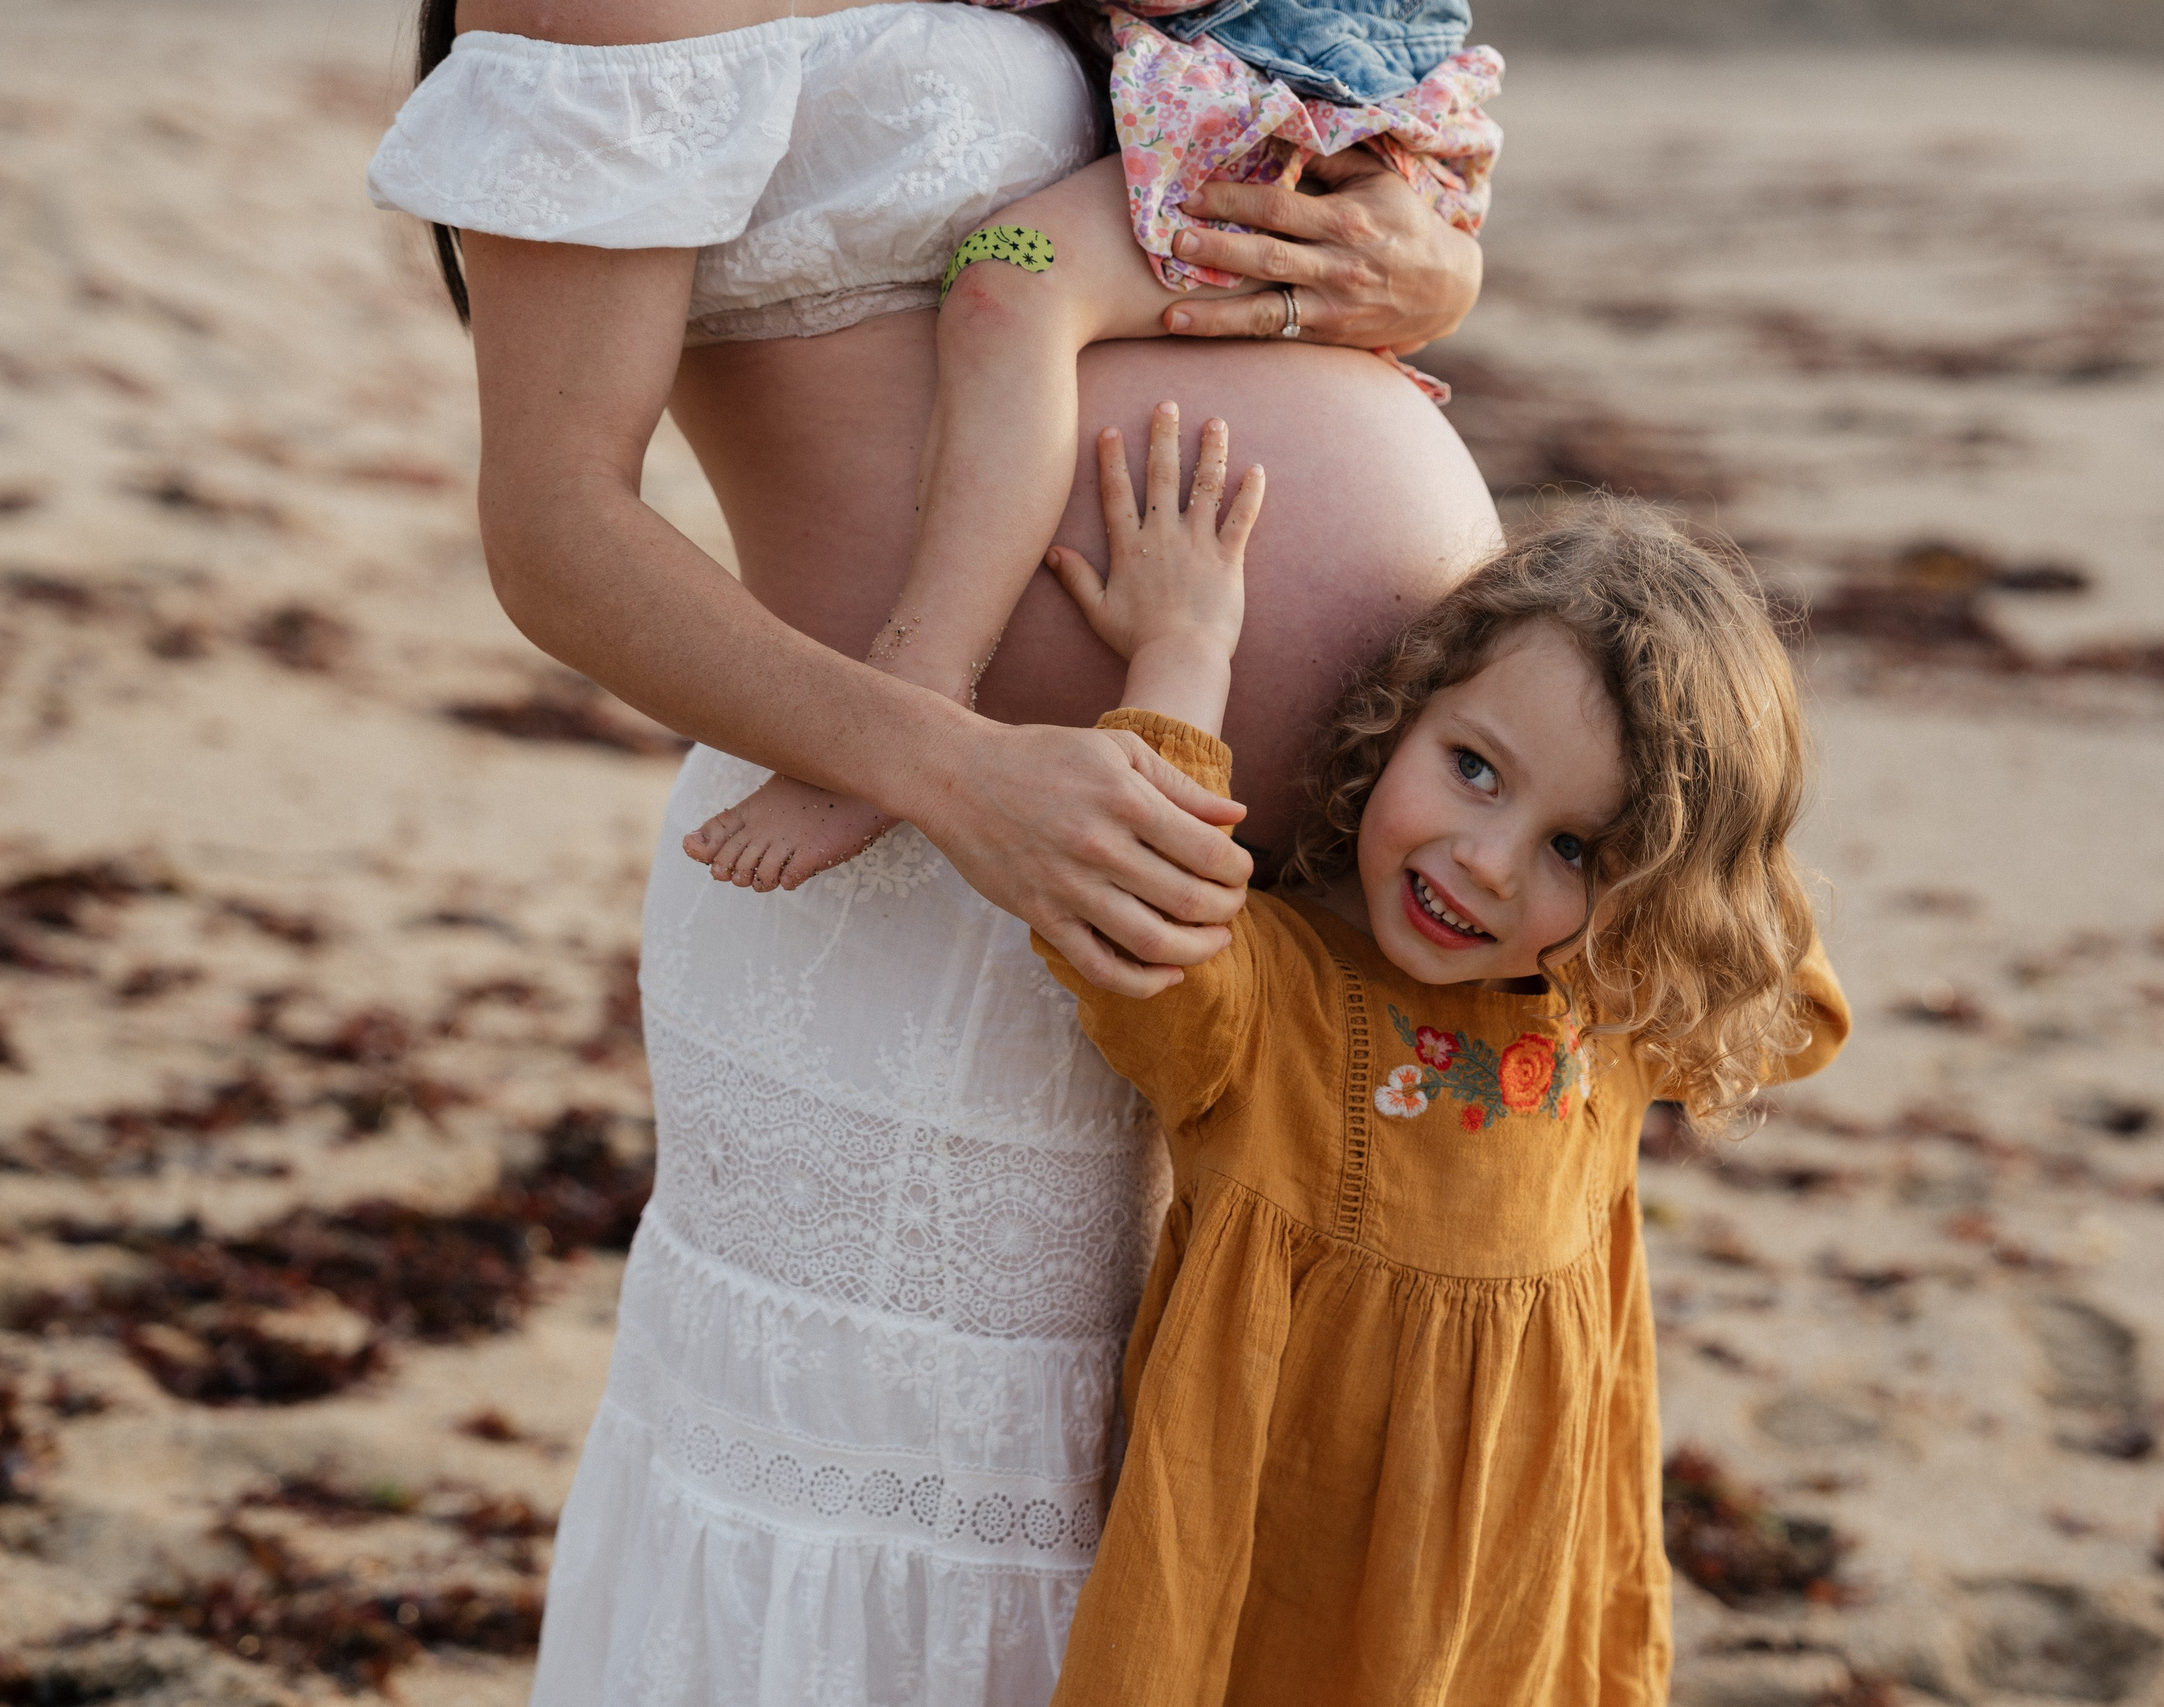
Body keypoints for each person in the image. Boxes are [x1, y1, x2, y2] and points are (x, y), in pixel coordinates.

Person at [366, 0, 1503, 1699]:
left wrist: (1411, 277)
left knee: (1161, 1540)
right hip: (917, 878)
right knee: (922, 1564)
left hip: (1222, 910)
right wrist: (954, 769)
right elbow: (552, 527)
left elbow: (1198, 175)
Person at [1023, 436, 1853, 1703]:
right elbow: (1138, 904)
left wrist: (1704, 819)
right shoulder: (1272, 1003)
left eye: (1575, 845)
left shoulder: (1609, 1015)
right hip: (1285, 1620)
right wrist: (1183, 652)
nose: (1488, 864)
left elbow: (1788, 1001)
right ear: (1397, 710)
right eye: (1472, 768)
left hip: (1516, 1611)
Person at [683, 0, 1502, 889]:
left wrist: (1454, 280)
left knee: (1016, 274)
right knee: (1015, 280)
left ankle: (920, 676)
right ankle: (910, 700)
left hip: (1294, 116)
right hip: (1029, 773)